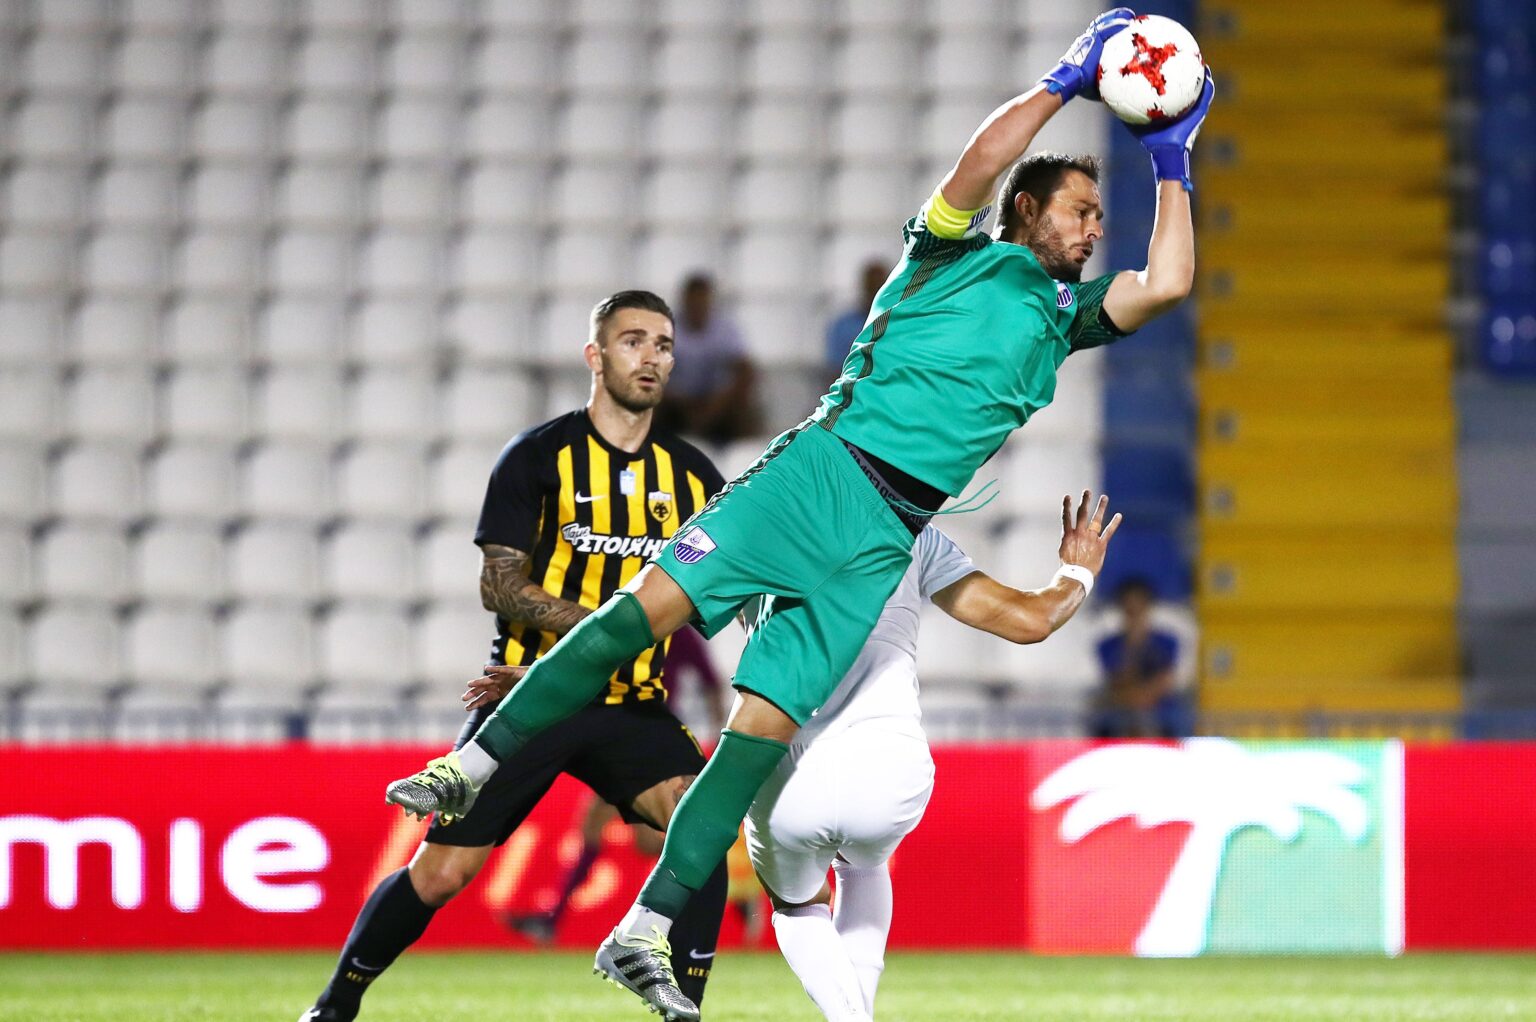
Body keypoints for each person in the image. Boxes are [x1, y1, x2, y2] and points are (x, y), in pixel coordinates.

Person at [382, 9, 1210, 1018]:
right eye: (1080, 209)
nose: (1093, 228)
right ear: (1027, 210)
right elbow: (982, 162)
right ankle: (470, 766)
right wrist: (1066, 80)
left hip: (886, 536)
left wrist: (1172, 157)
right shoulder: (946, 257)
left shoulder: (1066, 322)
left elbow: (1170, 280)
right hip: (817, 473)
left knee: (757, 738)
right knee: (637, 617)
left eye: (1098, 215)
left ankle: (644, 927)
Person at [299, 291, 729, 1022]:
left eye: (663, 344)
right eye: (632, 340)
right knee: (441, 874)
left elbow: (709, 589)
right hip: (531, 699)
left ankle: (684, 1011)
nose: (651, 357)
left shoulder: (693, 477)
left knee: (700, 831)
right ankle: (335, 1007)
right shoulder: (537, 457)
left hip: (632, 705)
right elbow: (499, 583)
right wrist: (600, 636)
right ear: (595, 356)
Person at [753, 493, 1119, 1021]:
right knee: (864, 864)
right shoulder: (912, 534)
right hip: (891, 764)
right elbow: (1030, 620)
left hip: (789, 766)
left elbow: (666, 609)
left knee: (794, 905)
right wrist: (1077, 571)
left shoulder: (752, 524)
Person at [657, 272, 761, 444]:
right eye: (693, 302)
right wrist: (679, 401)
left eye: (702, 302)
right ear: (684, 301)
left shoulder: (726, 328)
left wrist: (717, 404)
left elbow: (745, 371)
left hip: (717, 401)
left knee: (744, 409)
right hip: (676, 402)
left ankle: (745, 454)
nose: (697, 307)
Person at [1091, 576, 1193, 738]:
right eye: (1130, 610)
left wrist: (1142, 698)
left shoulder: (1168, 641)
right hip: (1121, 704)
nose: (1135, 615)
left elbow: (1166, 680)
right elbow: (1116, 680)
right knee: (1104, 711)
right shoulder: (1107, 645)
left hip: (1158, 707)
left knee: (1174, 712)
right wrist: (1132, 644)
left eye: (1139, 608)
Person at [823, 260, 891, 379]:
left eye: (879, 285)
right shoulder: (844, 326)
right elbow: (836, 368)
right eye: (872, 285)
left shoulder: (899, 324)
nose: (875, 290)